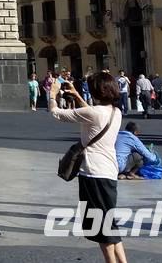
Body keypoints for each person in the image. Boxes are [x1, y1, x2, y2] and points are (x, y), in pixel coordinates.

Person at [49, 70, 126, 263]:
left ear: (96, 91)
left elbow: (56, 113)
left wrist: (52, 93)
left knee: (101, 227)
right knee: (109, 222)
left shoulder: (92, 113)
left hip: (93, 173)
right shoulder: (116, 112)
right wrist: (76, 95)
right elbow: (92, 115)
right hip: (108, 171)